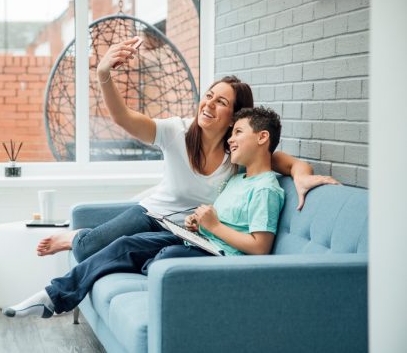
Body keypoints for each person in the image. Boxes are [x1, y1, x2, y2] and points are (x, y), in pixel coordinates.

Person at [37, 38, 337, 262]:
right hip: (150, 212)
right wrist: (104, 73)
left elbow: (290, 164)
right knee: (87, 248)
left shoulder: (238, 151)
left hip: (184, 233)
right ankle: (77, 236)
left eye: (221, 102)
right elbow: (123, 118)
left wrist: (303, 177)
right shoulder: (175, 131)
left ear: (235, 116)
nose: (208, 104)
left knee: (124, 254)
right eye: (208, 96)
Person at [3, 106, 285, 318]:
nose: (231, 139)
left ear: (262, 137)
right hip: (199, 241)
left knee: (162, 258)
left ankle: (150, 266)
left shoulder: (265, 189)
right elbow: (221, 224)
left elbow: (260, 247)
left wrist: (214, 226)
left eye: (238, 132)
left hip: (219, 257)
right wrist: (200, 223)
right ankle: (52, 297)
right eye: (232, 131)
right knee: (127, 244)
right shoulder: (238, 179)